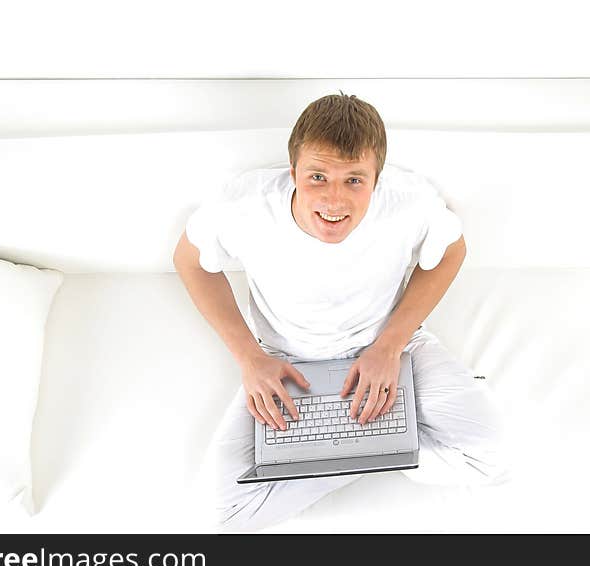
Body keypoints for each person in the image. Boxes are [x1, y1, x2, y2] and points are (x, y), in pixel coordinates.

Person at [173, 91, 508, 532]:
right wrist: (251, 359)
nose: (334, 201)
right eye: (317, 177)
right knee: (222, 513)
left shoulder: (409, 201)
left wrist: (389, 347)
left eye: (354, 180)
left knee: (492, 458)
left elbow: (452, 250)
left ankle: (352, 446)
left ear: (376, 179)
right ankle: (375, 446)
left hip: (390, 348)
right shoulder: (244, 204)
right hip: (286, 362)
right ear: (293, 172)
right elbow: (190, 261)